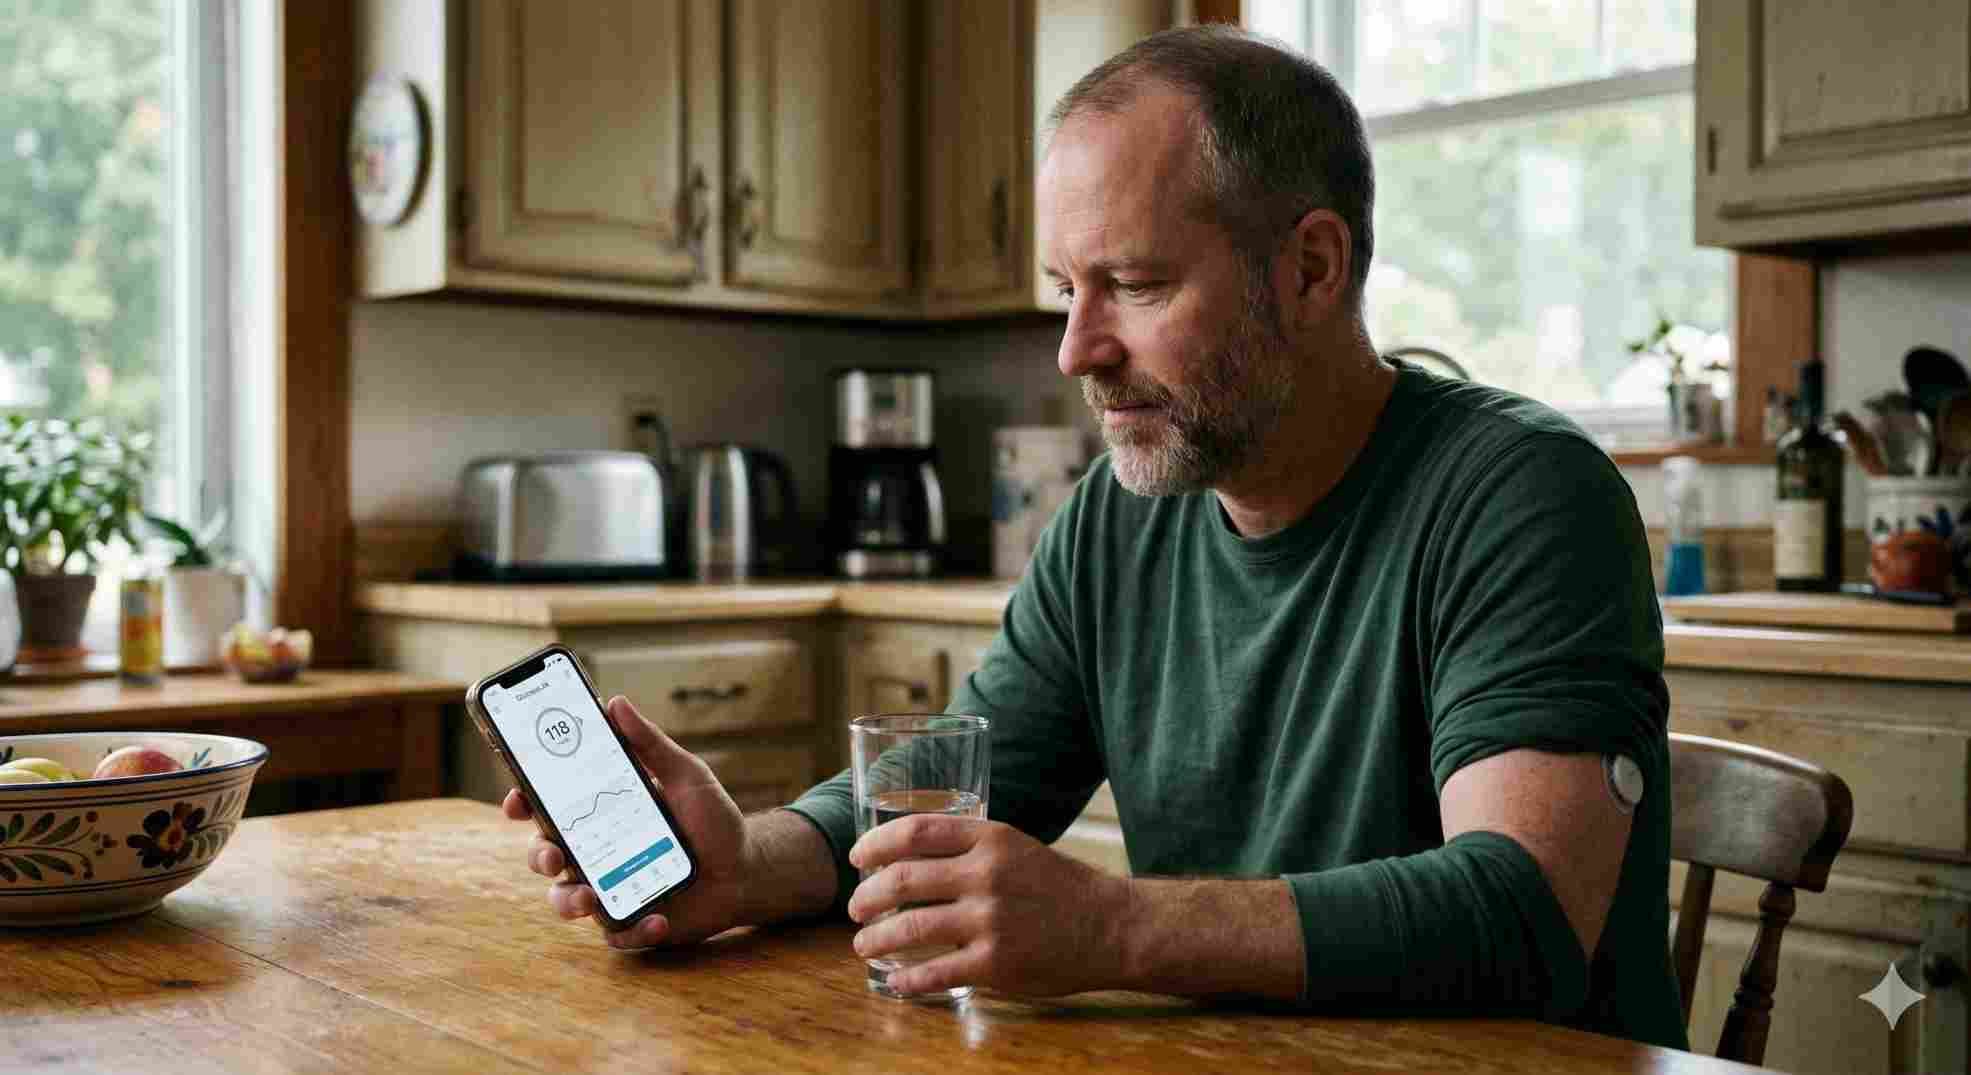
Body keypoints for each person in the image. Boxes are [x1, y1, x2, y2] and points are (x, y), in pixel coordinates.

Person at [504, 25, 1683, 1049]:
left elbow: (1520, 911)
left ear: (1311, 268)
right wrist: (745, 865)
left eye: (1132, 284)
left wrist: (1110, 924)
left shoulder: (1523, 492)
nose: (1076, 350)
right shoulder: (1123, 519)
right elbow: (964, 786)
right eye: (1067, 286)